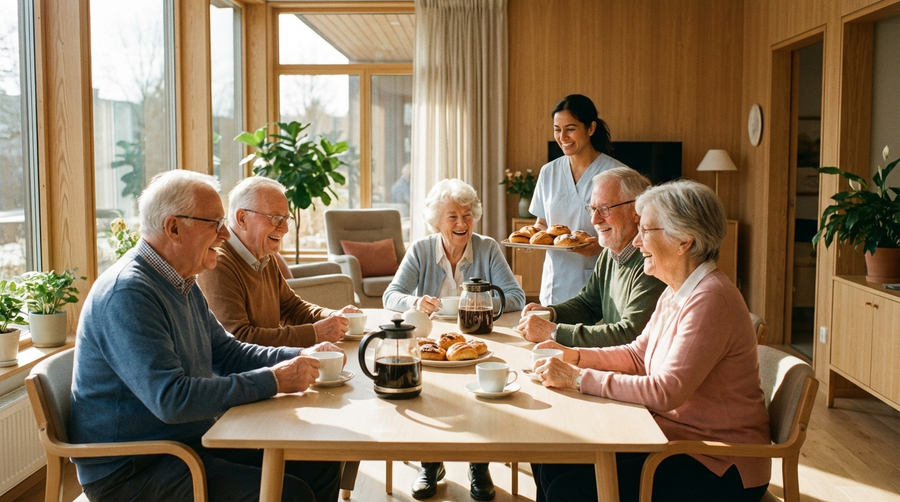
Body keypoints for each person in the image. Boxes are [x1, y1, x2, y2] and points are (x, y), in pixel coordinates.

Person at [70, 170, 344, 502]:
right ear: (174, 228)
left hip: (185, 443)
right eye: (215, 223)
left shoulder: (181, 281)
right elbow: (172, 399)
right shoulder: (129, 293)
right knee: (290, 495)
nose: (225, 234)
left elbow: (228, 352)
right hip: (135, 467)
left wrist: (300, 356)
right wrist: (274, 380)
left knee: (321, 459)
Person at [530, 179, 770, 502]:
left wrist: (578, 378)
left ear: (683, 240)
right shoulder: (677, 291)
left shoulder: (712, 299)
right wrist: (573, 355)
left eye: (646, 231)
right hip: (674, 441)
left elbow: (665, 391)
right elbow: (637, 356)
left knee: (569, 488)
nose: (637, 241)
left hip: (719, 463)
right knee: (551, 462)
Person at [382, 178, 525, 501]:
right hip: (432, 341)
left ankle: (479, 465)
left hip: (478, 339)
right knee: (429, 396)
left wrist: (478, 301)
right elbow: (391, 295)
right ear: (437, 223)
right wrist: (415, 302)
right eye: (453, 216)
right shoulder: (421, 250)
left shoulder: (487, 247)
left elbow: (515, 297)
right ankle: (430, 463)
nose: (462, 223)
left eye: (467, 215)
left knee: (482, 397)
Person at [197, 176, 361, 348]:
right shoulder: (217, 264)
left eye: (286, 219)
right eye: (275, 218)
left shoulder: (264, 256)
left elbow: (291, 308)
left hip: (273, 360)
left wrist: (334, 317)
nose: (285, 229)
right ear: (242, 218)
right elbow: (238, 339)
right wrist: (316, 333)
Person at [517, 167, 665, 347]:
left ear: (636, 211)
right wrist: (551, 313)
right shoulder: (610, 253)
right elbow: (588, 305)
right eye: (593, 209)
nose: (594, 220)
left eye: (604, 209)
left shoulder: (651, 260)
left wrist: (553, 332)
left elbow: (629, 334)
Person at [530, 94, 628, 305]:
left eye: (570, 129)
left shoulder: (617, 174)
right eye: (557, 129)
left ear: (591, 128)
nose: (562, 136)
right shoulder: (549, 172)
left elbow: (630, 235)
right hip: (554, 284)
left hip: (599, 283)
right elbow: (542, 223)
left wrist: (599, 248)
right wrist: (532, 237)